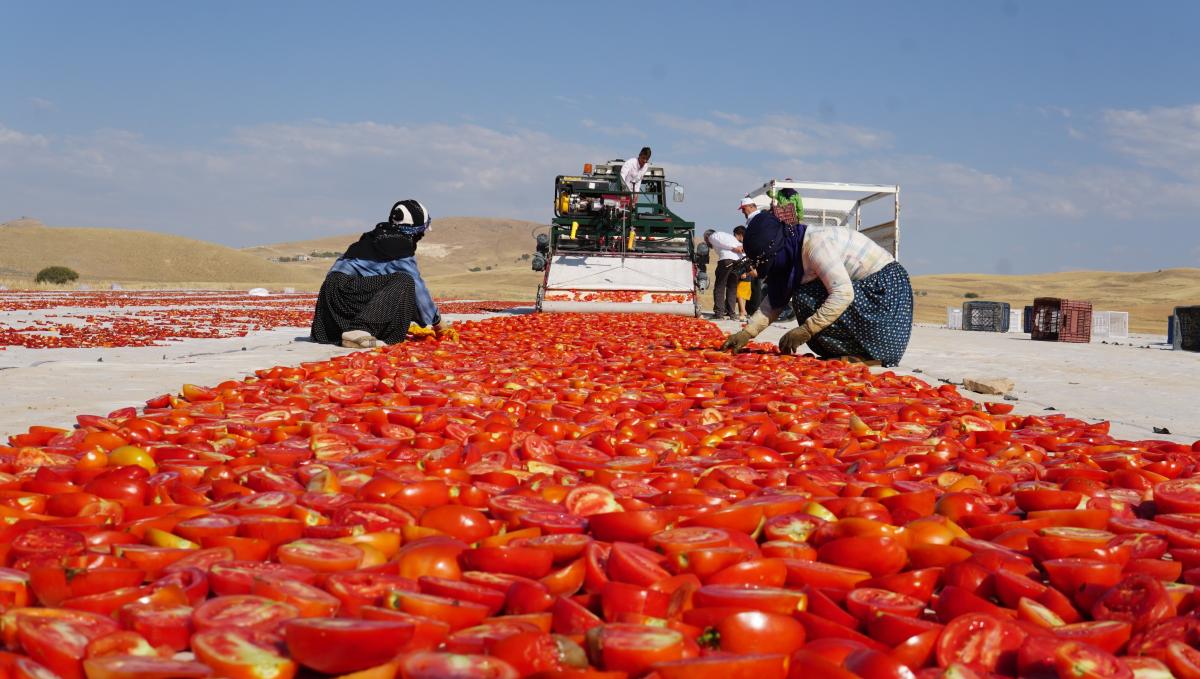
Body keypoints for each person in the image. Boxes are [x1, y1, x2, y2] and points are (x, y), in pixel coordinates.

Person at [721, 201, 913, 367]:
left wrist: (807, 329)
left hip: (884, 296)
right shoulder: (793, 248)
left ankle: (868, 354)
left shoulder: (815, 245)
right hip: (867, 292)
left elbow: (843, 294)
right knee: (804, 294)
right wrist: (746, 333)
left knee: (805, 297)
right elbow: (775, 300)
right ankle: (847, 351)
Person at [310, 199, 455, 348]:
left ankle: (350, 330)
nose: (421, 235)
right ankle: (359, 330)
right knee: (404, 281)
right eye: (420, 231)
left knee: (396, 285)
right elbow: (417, 290)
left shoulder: (374, 237)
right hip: (346, 294)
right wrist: (437, 322)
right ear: (413, 230)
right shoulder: (399, 248)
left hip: (330, 302)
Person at [704, 223, 744, 319]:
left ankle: (719, 313)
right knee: (732, 288)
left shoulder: (713, 235)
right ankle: (732, 314)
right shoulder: (729, 237)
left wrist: (733, 248)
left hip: (726, 261)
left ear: (707, 236)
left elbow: (725, 244)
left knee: (720, 287)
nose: (707, 242)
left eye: (705, 239)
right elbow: (741, 247)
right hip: (738, 262)